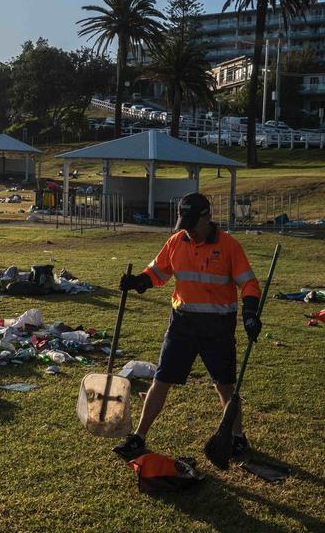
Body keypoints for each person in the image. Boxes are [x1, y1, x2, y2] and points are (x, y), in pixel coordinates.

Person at [113, 192, 263, 460]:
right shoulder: (176, 241)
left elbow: (249, 283)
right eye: (185, 223)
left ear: (208, 217)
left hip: (218, 328)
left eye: (193, 223)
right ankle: (138, 436)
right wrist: (138, 282)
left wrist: (250, 313)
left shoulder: (229, 246)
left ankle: (237, 438)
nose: (189, 231)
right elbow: (158, 272)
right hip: (182, 325)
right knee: (161, 380)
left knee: (225, 386)